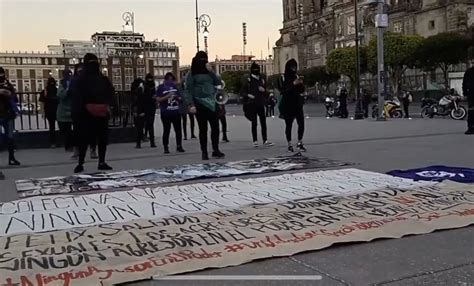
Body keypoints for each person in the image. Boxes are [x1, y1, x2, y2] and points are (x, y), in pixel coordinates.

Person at [70, 53, 115, 173]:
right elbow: (111, 94)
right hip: (100, 113)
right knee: (101, 139)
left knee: (83, 139)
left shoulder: (79, 79)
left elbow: (75, 97)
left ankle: (80, 163)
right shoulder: (103, 79)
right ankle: (101, 161)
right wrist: (107, 107)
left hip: (84, 114)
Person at [185, 51, 225, 160]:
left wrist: (211, 71)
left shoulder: (209, 73)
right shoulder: (192, 73)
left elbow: (218, 82)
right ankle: (204, 152)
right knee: (203, 129)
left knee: (215, 128)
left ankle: (215, 149)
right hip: (199, 103)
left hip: (212, 103)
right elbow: (188, 90)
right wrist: (190, 104)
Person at [241, 62, 273, 147]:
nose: (256, 71)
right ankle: (255, 140)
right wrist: (248, 95)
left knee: (263, 122)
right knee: (254, 122)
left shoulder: (262, 80)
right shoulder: (248, 80)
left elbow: (265, 93)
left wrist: (264, 91)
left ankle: (265, 140)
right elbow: (242, 92)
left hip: (260, 103)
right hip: (252, 104)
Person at [278, 59, 306, 153]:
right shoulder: (283, 77)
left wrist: (300, 83)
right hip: (288, 104)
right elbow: (282, 91)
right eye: (292, 67)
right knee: (289, 125)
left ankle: (300, 142)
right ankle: (289, 144)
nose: (294, 69)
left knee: (301, 123)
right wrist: (293, 84)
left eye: (295, 67)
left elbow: (301, 90)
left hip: (297, 103)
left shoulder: (296, 76)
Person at [157, 72, 185, 154]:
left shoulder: (176, 87)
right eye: (169, 79)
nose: (171, 81)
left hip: (176, 111)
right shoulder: (161, 87)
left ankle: (179, 146)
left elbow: (180, 98)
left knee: (178, 130)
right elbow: (158, 99)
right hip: (166, 112)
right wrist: (168, 96)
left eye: (172, 79)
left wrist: (178, 98)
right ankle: (166, 147)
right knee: (166, 130)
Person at [0, 67, 20, 166]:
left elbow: (15, 98)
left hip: (7, 114)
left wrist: (8, 93)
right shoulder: (8, 84)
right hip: (7, 114)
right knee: (9, 137)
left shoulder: (8, 85)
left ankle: (11, 158)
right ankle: (11, 158)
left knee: (10, 137)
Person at [57, 69, 74, 152]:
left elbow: (60, 95)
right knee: (68, 130)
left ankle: (69, 146)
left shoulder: (62, 84)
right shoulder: (73, 83)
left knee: (66, 131)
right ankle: (71, 145)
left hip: (65, 112)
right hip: (70, 111)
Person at [39, 77, 59, 147]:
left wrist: (42, 112)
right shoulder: (57, 90)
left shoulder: (45, 91)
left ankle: (52, 142)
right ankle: (64, 141)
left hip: (48, 110)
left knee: (52, 127)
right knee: (62, 126)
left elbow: (41, 102)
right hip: (58, 110)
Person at [131, 77, 146, 148]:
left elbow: (133, 104)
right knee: (140, 128)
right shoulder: (142, 94)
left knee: (138, 128)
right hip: (140, 112)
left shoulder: (134, 94)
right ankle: (139, 141)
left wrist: (134, 112)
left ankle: (138, 143)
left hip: (137, 112)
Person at [463, 66, 474, 135]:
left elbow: (464, 83)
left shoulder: (469, 71)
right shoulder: (469, 71)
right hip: (471, 94)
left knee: (471, 110)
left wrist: (465, 93)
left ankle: (471, 128)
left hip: (471, 94)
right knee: (471, 111)